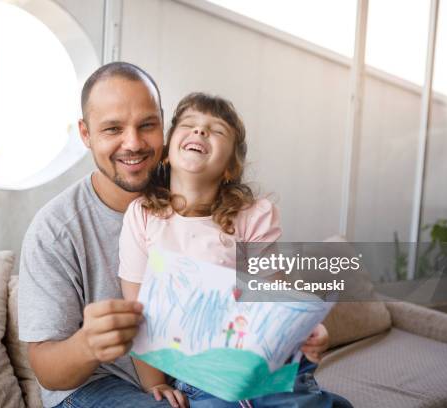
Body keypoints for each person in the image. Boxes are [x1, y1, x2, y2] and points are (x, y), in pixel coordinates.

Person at [118, 93, 351, 408]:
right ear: (166, 152)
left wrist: (307, 329)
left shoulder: (254, 215)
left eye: (216, 130)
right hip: (201, 377)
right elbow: (138, 311)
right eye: (190, 125)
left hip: (267, 364)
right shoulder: (143, 216)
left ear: (230, 167)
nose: (200, 132)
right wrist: (155, 384)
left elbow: (273, 295)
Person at [19, 61, 173, 408]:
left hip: (190, 375)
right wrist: (88, 343)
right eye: (113, 129)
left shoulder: (195, 187)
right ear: (86, 134)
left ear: (163, 124)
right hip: (97, 385)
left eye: (147, 125)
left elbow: (261, 269)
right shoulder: (55, 230)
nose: (132, 143)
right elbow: (47, 370)